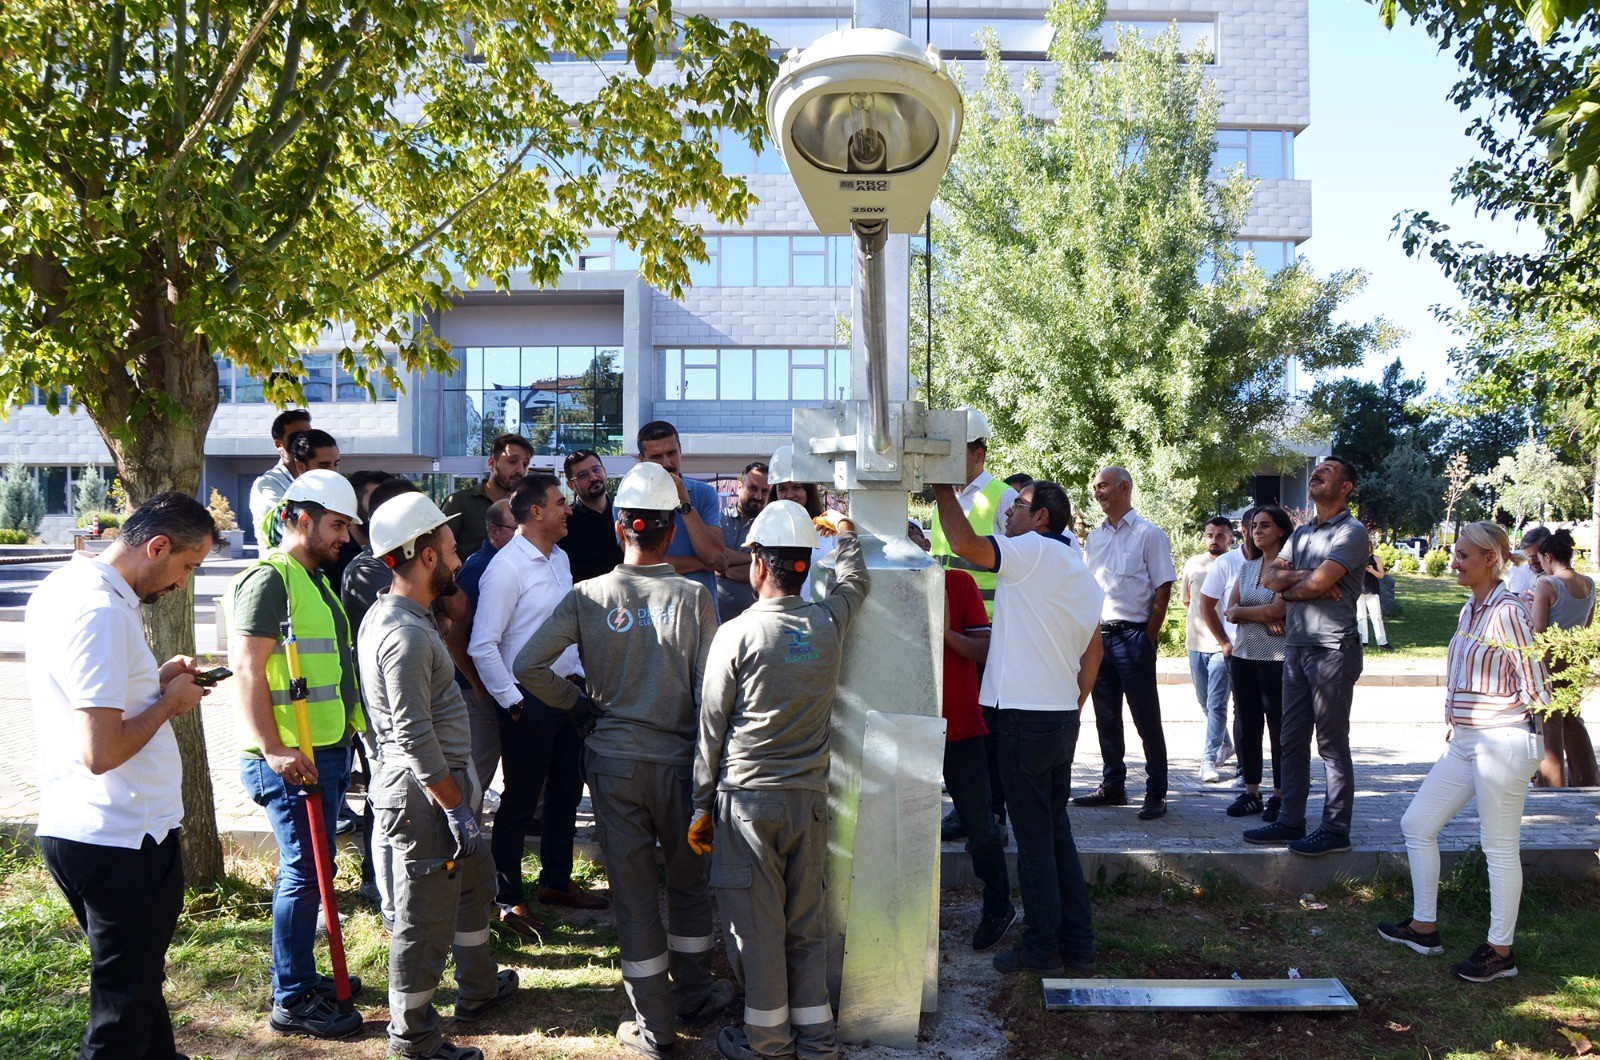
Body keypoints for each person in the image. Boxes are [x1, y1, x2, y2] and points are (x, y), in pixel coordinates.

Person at [514, 462, 734, 1059]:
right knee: (689, 887)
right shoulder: (694, 599)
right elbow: (709, 697)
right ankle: (693, 994)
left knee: (635, 896)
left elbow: (528, 666)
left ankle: (655, 1028)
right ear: (669, 533)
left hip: (612, 765)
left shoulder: (587, 596)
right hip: (680, 766)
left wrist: (581, 708)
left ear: (619, 528)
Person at [29, 492, 215, 1060]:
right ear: (156, 546)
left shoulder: (74, 586)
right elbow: (101, 749)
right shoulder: (101, 611)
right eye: (187, 567)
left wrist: (154, 683)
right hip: (117, 838)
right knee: (119, 1016)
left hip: (105, 829)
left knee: (137, 989)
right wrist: (169, 706)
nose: (183, 584)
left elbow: (95, 701)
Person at [691, 500, 868, 1060]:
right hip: (808, 803)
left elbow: (710, 730)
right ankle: (816, 1038)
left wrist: (700, 807)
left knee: (758, 929)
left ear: (760, 567)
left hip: (746, 805)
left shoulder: (736, 634)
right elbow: (854, 582)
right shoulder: (827, 622)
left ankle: (768, 1041)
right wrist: (844, 532)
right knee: (805, 921)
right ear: (800, 567)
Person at [358, 493, 518, 1060]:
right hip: (428, 797)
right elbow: (412, 735)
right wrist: (454, 807)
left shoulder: (406, 616)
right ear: (426, 557)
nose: (458, 556)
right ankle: (413, 1035)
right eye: (450, 548)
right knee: (423, 920)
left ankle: (477, 987)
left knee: (474, 890)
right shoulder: (403, 634)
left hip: (446, 789)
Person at [934, 479, 1104, 978]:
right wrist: (1070, 706)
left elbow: (963, 545)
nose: (1007, 514)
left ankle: (1041, 947)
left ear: (1042, 519)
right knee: (1055, 833)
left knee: (1033, 841)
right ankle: (1079, 944)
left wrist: (944, 488)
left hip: (1023, 719)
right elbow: (1092, 654)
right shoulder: (1079, 570)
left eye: (1019, 507)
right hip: (1055, 718)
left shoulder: (1031, 552)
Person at [1376, 522, 1550, 983]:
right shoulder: (1469, 610)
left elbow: (1536, 684)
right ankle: (1424, 927)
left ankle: (1500, 952)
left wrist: (1529, 746)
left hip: (1504, 740)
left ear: (1492, 558)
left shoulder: (1508, 612)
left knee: (1498, 847)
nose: (1455, 562)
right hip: (1466, 741)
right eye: (1455, 554)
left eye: (1464, 555)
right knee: (1417, 823)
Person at [227, 469, 368, 1039]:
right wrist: (274, 747)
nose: (345, 537)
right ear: (300, 518)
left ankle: (302, 975)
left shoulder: (314, 578)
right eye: (337, 525)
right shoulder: (270, 579)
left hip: (323, 748)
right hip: (292, 757)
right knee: (303, 873)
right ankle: (290, 995)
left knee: (315, 870)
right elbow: (247, 667)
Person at [468, 473, 606, 933]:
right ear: (535, 513)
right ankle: (508, 898)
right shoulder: (505, 569)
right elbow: (483, 646)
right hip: (526, 701)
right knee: (521, 801)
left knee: (567, 791)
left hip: (567, 694)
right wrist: (512, 702)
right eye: (559, 502)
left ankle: (557, 882)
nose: (568, 508)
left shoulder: (560, 558)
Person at [1245, 456, 1368, 856]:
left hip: (1333, 649)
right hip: (1296, 648)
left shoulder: (1351, 532)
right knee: (1291, 739)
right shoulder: (1301, 534)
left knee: (1331, 744)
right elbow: (1270, 579)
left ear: (1346, 486)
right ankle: (1290, 821)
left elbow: (1312, 583)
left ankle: (1336, 830)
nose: (1316, 474)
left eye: (1328, 471)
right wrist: (1305, 581)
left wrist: (1299, 582)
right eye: (1315, 471)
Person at [1077, 466, 1176, 820]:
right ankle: (1113, 785)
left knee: (1146, 717)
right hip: (1100, 636)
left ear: (1124, 488)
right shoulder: (1095, 538)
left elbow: (1163, 586)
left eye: (1102, 486)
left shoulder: (1150, 534)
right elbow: (1089, 588)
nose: (1097, 492)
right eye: (1095, 487)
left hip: (1133, 635)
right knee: (1105, 715)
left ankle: (1156, 792)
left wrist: (1147, 638)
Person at [936, 562, 1017, 954]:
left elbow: (984, 648)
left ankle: (999, 906)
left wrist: (946, 632)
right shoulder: (883, 583)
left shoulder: (958, 582)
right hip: (900, 727)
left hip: (961, 726)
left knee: (981, 826)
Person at [1222, 506, 1292, 821]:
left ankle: (1280, 794)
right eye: (1253, 526)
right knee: (1248, 726)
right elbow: (1229, 610)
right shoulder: (1248, 567)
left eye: (1265, 525)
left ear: (1281, 530)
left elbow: (1277, 609)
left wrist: (1252, 615)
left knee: (1279, 727)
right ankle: (1252, 792)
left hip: (1276, 658)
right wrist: (1261, 616)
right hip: (1243, 656)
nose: (1257, 530)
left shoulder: (1288, 568)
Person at [443, 497, 515, 795]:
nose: (523, 533)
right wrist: (478, 686)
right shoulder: (479, 569)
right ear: (494, 532)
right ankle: (461, 834)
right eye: (516, 527)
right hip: (476, 691)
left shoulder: (509, 562)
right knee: (475, 777)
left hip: (497, 687)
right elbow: (455, 635)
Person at [928, 408, 1020, 618]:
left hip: (987, 624)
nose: (946, 460)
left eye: (954, 454)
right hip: (948, 621)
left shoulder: (1004, 497)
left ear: (978, 455)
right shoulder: (943, 501)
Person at [1529, 529, 1599, 787]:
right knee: (1573, 720)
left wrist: (1529, 604)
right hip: (1575, 658)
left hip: (1549, 658)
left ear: (1548, 556)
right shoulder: (1588, 584)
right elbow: (1586, 625)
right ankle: (1587, 779)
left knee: (1548, 721)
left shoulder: (1547, 584)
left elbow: (1538, 628)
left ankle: (1551, 784)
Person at [637, 419, 727, 611]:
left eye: (672, 453)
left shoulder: (704, 493)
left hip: (701, 616)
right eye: (657, 457)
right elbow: (643, 564)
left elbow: (715, 556)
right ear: (642, 460)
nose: (667, 464)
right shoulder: (629, 502)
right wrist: (704, 564)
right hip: (652, 615)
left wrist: (684, 503)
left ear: (680, 450)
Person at [1182, 517, 1236, 783]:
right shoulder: (1193, 564)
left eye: (1221, 535)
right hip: (1195, 644)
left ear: (1231, 539)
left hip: (1221, 645)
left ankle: (1208, 759)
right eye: (1210, 534)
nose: (1214, 539)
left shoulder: (1234, 564)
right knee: (1204, 703)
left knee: (1217, 704)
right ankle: (1226, 743)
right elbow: (1187, 601)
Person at [442, 433, 533, 559]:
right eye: (512, 461)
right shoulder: (459, 502)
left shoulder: (527, 508)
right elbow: (439, 552)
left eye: (525, 464)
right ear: (491, 464)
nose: (520, 470)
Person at [715, 460, 769, 621]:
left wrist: (723, 569)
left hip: (754, 623)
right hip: (713, 620)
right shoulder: (717, 519)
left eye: (764, 491)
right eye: (752, 488)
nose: (758, 496)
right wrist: (755, 559)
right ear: (740, 487)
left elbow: (767, 572)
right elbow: (712, 555)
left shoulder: (770, 526)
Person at [249, 408, 311, 544]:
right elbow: (288, 528)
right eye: (296, 436)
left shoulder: (314, 480)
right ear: (279, 444)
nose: (304, 442)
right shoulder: (267, 484)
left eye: (309, 435)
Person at [562, 448, 623, 583]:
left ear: (605, 471)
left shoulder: (625, 513)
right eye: (583, 475)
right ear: (571, 485)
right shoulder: (565, 524)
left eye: (596, 469)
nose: (593, 478)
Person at [328, 469, 393, 592]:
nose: (386, 509)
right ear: (354, 505)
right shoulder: (332, 554)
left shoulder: (400, 549)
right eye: (377, 501)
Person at [1358, 535, 1391, 650]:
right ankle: (1363, 641)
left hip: (1372, 590)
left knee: (1376, 616)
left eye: (1368, 547)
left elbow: (1381, 575)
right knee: (1360, 617)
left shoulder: (1376, 559)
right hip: (1359, 590)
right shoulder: (1356, 558)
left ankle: (1382, 641)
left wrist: (1372, 571)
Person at [1506, 526, 1550, 596]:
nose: (1532, 561)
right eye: (1528, 556)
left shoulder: (1557, 581)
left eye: (1536, 556)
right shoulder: (1514, 573)